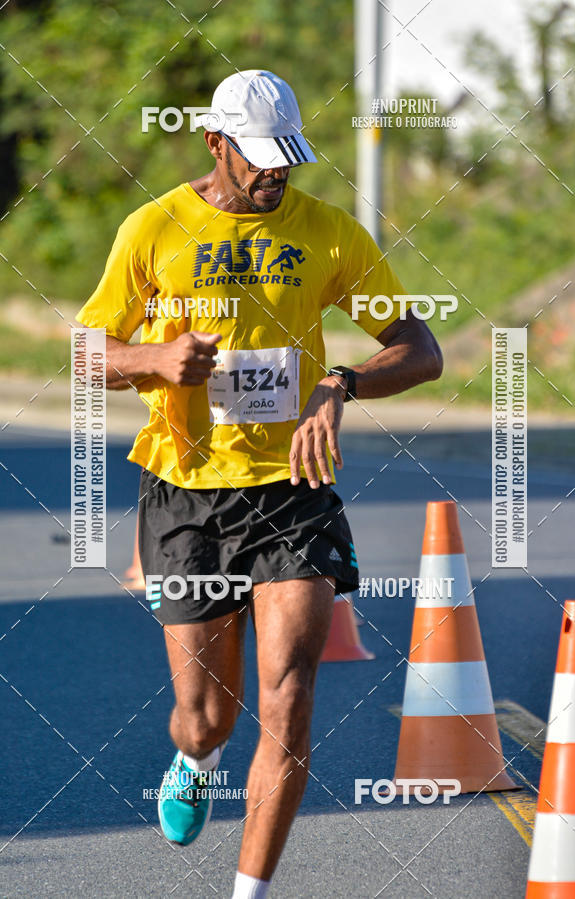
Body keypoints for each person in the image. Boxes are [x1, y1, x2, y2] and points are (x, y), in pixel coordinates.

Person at [76, 69, 442, 899]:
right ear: (216, 144)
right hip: (186, 491)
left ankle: (250, 892)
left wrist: (341, 382)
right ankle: (197, 757)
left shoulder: (330, 232)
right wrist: (152, 359)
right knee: (209, 714)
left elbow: (421, 347)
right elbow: (83, 351)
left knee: (290, 695)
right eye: (259, 159)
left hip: (293, 489)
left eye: (288, 158)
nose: (276, 173)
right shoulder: (154, 229)